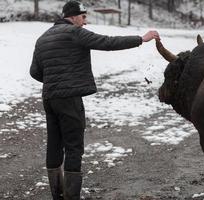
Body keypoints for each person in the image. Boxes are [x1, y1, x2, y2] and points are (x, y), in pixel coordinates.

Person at [29, 1, 160, 199]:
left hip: (50, 98)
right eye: (83, 17)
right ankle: (72, 196)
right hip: (70, 98)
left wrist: (56, 80)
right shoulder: (74, 32)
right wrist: (141, 39)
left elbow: (35, 72)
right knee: (74, 146)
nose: (85, 22)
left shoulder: (43, 38)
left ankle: (57, 194)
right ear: (73, 17)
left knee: (54, 144)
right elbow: (107, 42)